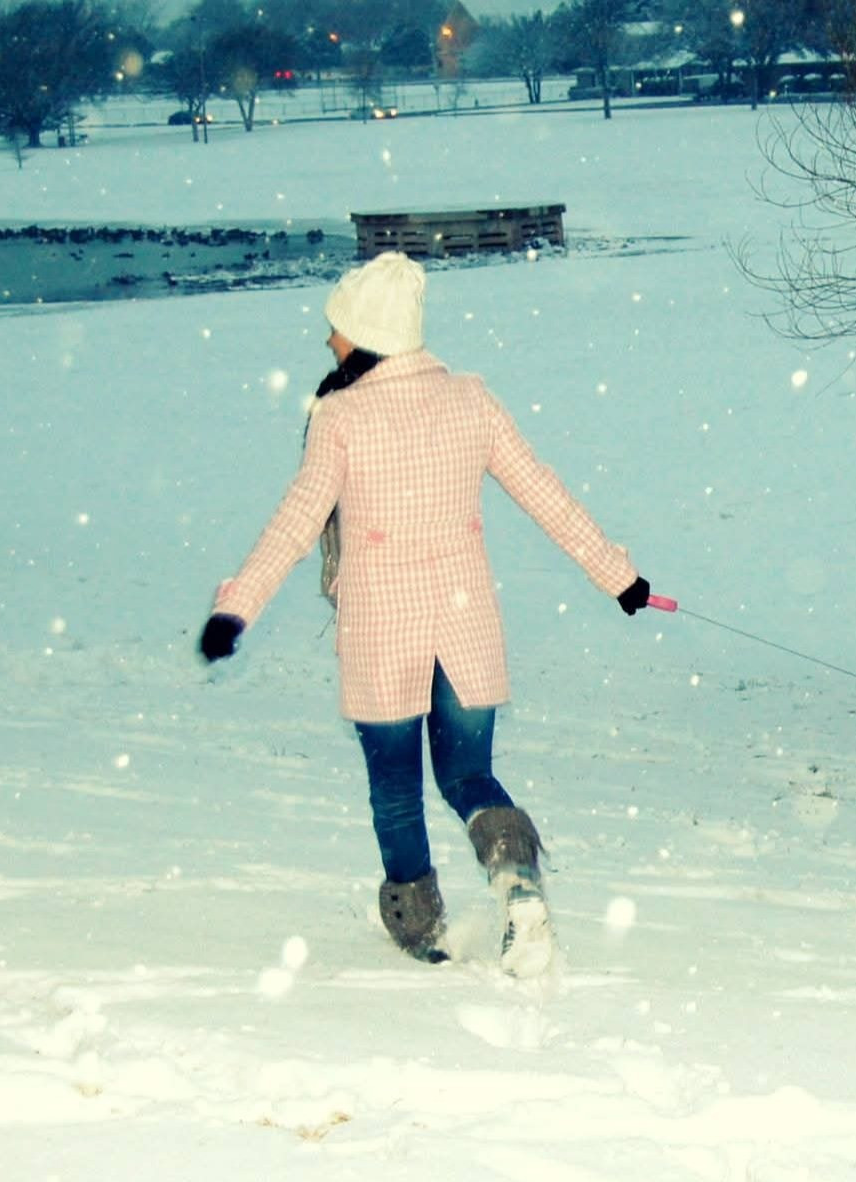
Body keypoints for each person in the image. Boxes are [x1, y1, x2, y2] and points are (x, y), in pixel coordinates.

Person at [198, 251, 651, 976]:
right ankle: (518, 883)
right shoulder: (469, 397)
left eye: (336, 330)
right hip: (464, 621)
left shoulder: (341, 414)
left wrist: (235, 609)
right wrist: (618, 577)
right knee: (469, 776)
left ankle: (418, 919)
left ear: (365, 335)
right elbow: (543, 492)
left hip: (384, 630)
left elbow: (295, 519)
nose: (328, 342)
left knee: (397, 789)